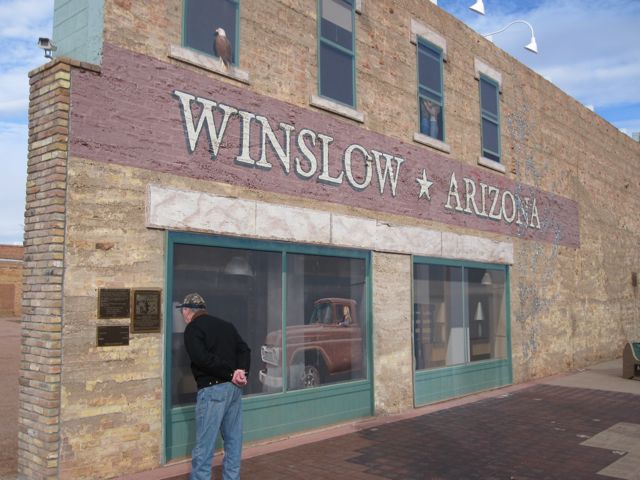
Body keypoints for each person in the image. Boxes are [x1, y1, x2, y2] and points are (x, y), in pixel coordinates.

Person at [178, 293, 251, 480]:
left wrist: (229, 373)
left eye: (182, 312)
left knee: (205, 445)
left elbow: (201, 358)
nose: (182, 316)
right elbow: (244, 349)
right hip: (234, 391)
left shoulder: (193, 328)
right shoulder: (226, 325)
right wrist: (240, 372)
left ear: (187, 311)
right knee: (233, 442)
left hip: (212, 391)